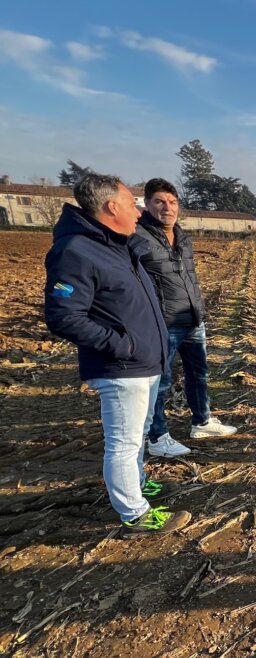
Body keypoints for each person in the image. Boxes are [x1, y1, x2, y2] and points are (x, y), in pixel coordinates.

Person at [44, 173, 190, 536]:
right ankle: (135, 514)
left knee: (137, 433)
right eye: (131, 204)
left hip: (144, 363)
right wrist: (122, 345)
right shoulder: (76, 251)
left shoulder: (116, 244)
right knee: (124, 442)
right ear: (111, 207)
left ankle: (136, 483)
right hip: (123, 367)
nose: (138, 212)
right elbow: (64, 316)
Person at [137, 178, 237, 458]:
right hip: (163, 323)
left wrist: (198, 311)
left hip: (192, 319)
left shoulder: (182, 237)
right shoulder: (137, 237)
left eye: (172, 202)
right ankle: (157, 437)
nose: (167, 208)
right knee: (161, 382)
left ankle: (202, 422)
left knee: (199, 374)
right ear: (147, 204)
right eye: (159, 201)